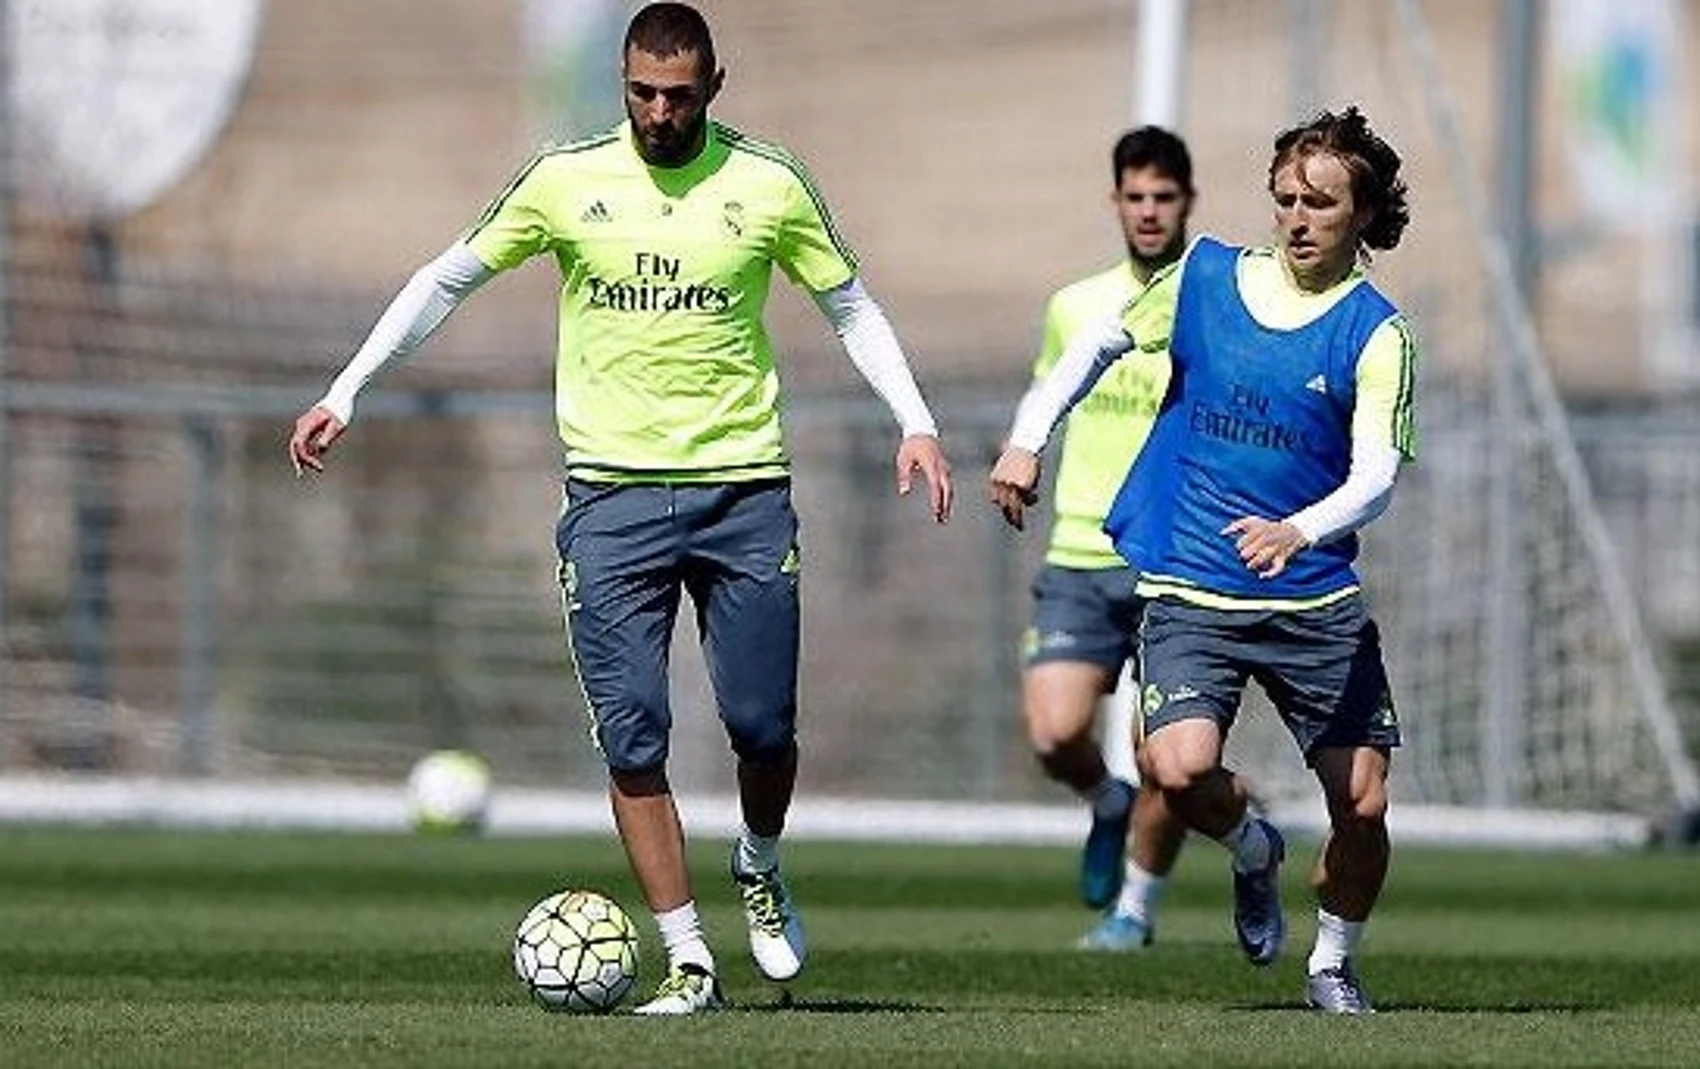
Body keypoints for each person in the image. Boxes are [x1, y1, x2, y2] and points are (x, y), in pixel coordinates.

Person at [288, 2, 953, 1016]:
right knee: (633, 739)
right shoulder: (565, 180)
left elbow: (849, 306)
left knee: (762, 728)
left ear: (713, 86)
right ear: (623, 85)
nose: (659, 112)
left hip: (743, 488)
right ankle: (690, 959)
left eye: (678, 95)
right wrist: (347, 389)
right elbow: (446, 278)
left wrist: (916, 422)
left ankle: (759, 862)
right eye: (642, 92)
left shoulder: (768, 182)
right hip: (609, 499)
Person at [989, 106, 1415, 1015]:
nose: (1297, 219)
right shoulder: (1207, 275)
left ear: (1365, 214)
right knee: (1177, 768)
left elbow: (1377, 474)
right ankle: (1253, 847)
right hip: (1192, 583)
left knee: (1364, 804)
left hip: (1313, 601)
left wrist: (1299, 530)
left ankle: (1332, 963)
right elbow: (1096, 343)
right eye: (1286, 199)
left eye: (1320, 203)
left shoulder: (1377, 333)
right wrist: (1028, 440)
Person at [1017, 126, 1194, 951]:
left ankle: (1135, 908)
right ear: (1115, 202)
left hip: (1174, 560)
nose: (1149, 211)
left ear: (1188, 201)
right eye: (1136, 197)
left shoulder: (1211, 308)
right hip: (1081, 555)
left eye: (1164, 197)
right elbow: (1050, 393)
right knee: (1055, 734)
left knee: (1167, 758)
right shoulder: (1075, 306)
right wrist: (1023, 450)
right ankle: (1104, 800)